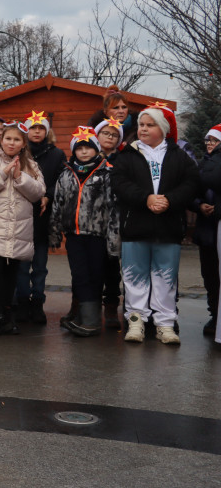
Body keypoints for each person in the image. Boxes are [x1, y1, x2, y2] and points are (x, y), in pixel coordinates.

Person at [112, 106, 199, 344]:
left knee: (165, 278)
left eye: (150, 125)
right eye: (141, 124)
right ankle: (136, 322)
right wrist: (146, 198)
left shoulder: (179, 156)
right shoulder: (128, 155)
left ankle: (165, 324)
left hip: (169, 228)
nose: (143, 129)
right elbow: (119, 183)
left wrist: (169, 200)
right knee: (134, 278)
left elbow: (191, 183)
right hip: (136, 227)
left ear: (163, 128)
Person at [0, 121, 46, 337]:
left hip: (18, 227)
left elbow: (38, 192)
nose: (11, 143)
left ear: (23, 143)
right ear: (1, 140)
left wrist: (19, 177)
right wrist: (3, 173)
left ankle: (7, 318)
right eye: (8, 139)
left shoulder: (30, 165)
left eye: (16, 139)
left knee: (11, 273)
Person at [48, 127, 120, 337]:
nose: (84, 152)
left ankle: (91, 321)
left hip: (98, 235)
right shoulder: (66, 174)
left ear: (96, 149)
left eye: (88, 148)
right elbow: (58, 204)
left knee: (95, 276)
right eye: (79, 148)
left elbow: (114, 208)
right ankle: (83, 317)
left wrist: (114, 239)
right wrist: (55, 231)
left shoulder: (106, 173)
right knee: (79, 275)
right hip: (74, 235)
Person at [16, 110, 65, 325]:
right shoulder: (19, 153)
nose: (36, 131)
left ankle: (37, 303)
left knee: (39, 266)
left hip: (43, 218)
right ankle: (22, 302)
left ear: (47, 131)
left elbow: (61, 180)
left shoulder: (56, 154)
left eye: (41, 128)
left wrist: (48, 195)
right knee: (21, 267)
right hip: (20, 218)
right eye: (33, 128)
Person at [95, 117, 126, 327]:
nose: (110, 137)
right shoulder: (87, 156)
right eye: (106, 133)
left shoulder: (122, 160)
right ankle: (86, 306)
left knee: (112, 267)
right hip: (92, 221)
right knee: (91, 266)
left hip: (114, 221)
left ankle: (112, 306)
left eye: (114, 135)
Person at [195, 125, 221, 337]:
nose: (210, 144)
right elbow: (192, 191)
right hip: (207, 229)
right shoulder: (201, 165)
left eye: (215, 140)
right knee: (210, 275)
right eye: (208, 140)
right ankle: (214, 314)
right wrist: (199, 205)